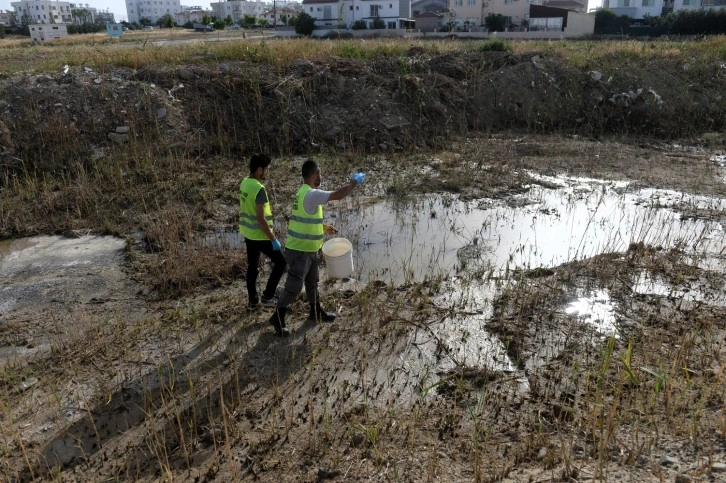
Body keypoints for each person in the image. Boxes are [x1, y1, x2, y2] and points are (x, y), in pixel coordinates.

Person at [267, 160, 366, 337]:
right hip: (300, 250)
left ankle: (315, 312)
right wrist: (353, 183)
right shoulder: (311, 194)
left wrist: (324, 228)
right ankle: (278, 316)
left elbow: (305, 220)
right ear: (313, 175)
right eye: (319, 174)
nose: (320, 177)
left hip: (309, 249)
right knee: (294, 286)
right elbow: (338, 195)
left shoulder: (302, 193)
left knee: (312, 282)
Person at [239, 153, 286, 310]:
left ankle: (253, 302)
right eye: (266, 169)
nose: (267, 172)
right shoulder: (259, 189)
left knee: (252, 267)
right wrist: (273, 238)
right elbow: (261, 218)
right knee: (281, 262)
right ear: (259, 170)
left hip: (248, 233)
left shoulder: (244, 183)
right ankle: (267, 296)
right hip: (260, 235)